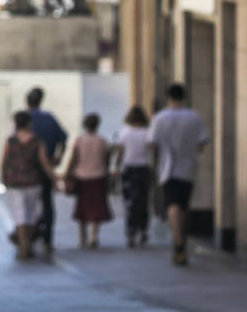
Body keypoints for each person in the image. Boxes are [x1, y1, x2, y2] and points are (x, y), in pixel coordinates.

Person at [148, 82, 209, 266]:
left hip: (168, 168)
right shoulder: (194, 117)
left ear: (168, 97)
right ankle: (181, 237)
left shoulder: (160, 118)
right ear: (184, 97)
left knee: (172, 204)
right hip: (188, 167)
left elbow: (152, 143)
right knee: (183, 205)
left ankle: (178, 240)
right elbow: (201, 145)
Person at [0, 110, 56, 261]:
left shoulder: (10, 141)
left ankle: (23, 247)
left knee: (19, 216)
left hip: (15, 183)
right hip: (33, 182)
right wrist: (54, 179)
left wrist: (4, 178)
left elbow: (4, 162)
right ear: (29, 123)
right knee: (31, 216)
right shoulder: (37, 141)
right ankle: (28, 245)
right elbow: (44, 163)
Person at [25, 86, 67, 253]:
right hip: (46, 168)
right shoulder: (49, 118)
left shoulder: (23, 119)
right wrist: (58, 157)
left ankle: (28, 238)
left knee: (28, 206)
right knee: (47, 204)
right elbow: (63, 138)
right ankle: (47, 239)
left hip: (28, 170)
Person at [64, 113, 112, 249]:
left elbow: (73, 158)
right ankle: (94, 235)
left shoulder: (79, 140)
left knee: (82, 207)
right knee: (96, 207)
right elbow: (107, 160)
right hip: (98, 176)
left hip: (82, 177)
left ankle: (82, 236)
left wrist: (68, 173)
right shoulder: (102, 141)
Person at [112, 104, 152, 248]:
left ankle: (130, 232)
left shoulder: (124, 132)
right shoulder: (147, 132)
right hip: (143, 169)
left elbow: (119, 152)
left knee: (130, 202)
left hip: (128, 169)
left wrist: (116, 167)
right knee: (143, 201)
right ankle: (143, 230)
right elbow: (152, 149)